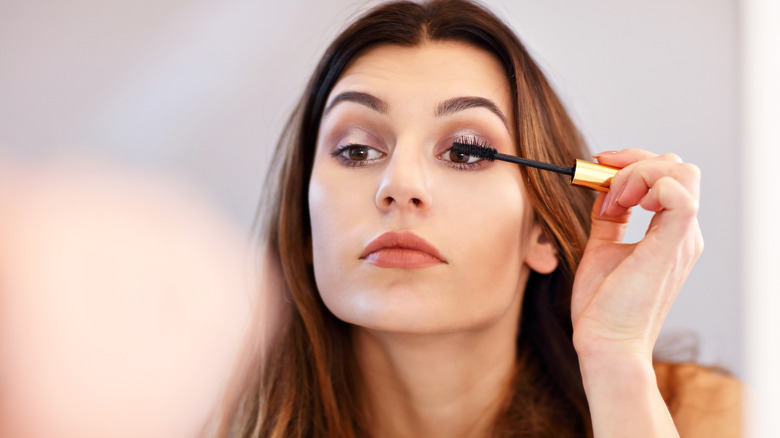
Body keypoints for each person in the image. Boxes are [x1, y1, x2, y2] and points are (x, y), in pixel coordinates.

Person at [216, 0, 741, 437]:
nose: (400, 185)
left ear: (541, 230)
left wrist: (617, 366)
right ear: (306, 224)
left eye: (465, 153)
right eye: (356, 151)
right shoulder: (192, 416)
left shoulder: (703, 418)